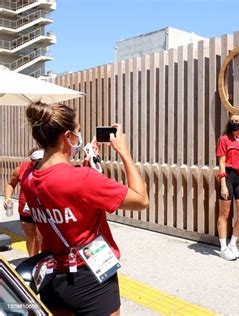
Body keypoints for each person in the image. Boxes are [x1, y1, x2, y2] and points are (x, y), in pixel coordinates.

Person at [21, 101, 149, 316]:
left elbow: (60, 191)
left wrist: (85, 172)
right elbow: (141, 200)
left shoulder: (29, 178)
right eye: (78, 132)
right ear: (68, 136)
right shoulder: (82, 179)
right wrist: (124, 152)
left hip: (52, 276)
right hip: (90, 276)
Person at [216, 114, 239, 261]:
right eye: (232, 121)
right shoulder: (224, 139)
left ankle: (232, 244)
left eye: (237, 121)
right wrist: (223, 184)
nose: (235, 123)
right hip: (228, 177)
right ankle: (223, 248)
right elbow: (222, 162)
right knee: (224, 214)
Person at [3, 148, 43, 257]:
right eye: (35, 160)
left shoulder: (49, 168)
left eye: (41, 159)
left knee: (43, 236)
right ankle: (32, 260)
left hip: (43, 208)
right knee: (30, 235)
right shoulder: (21, 168)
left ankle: (45, 261)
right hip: (26, 208)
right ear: (31, 159)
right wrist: (7, 198)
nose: (38, 163)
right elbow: (11, 184)